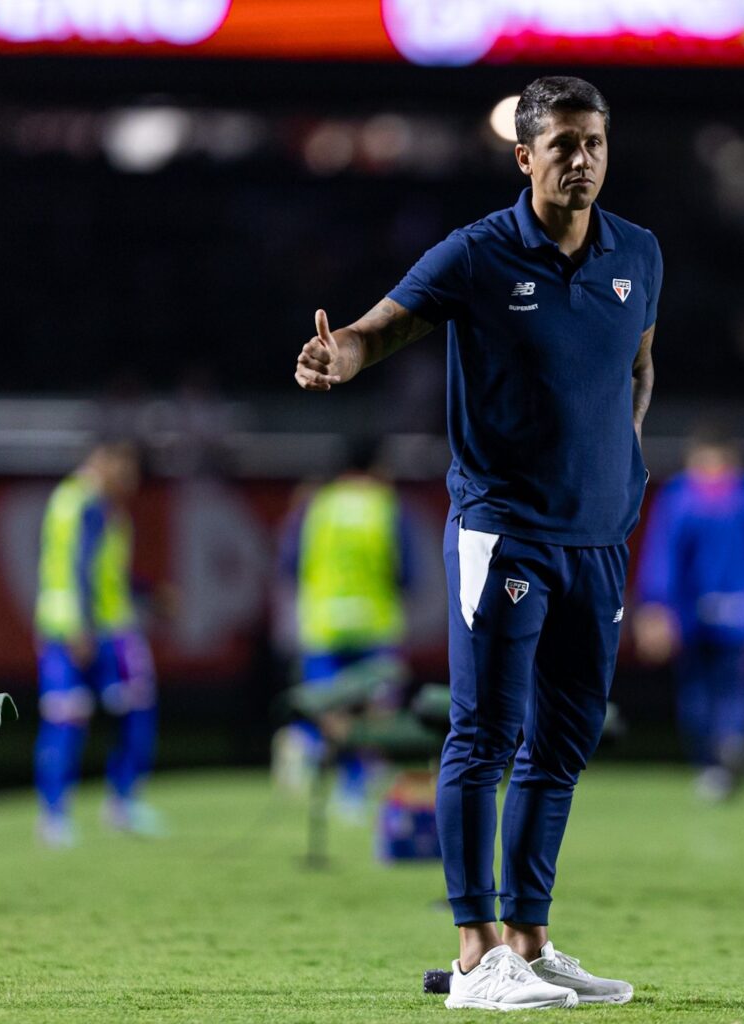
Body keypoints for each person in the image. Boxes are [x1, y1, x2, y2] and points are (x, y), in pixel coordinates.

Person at [294, 76, 657, 1010]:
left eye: (595, 143)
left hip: (599, 538)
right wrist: (342, 356)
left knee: (563, 742)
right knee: (485, 734)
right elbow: (384, 325)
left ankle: (530, 944)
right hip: (505, 530)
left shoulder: (641, 254)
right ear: (525, 157)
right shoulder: (479, 253)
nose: (582, 159)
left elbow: (638, 366)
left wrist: (618, 467)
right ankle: (472, 958)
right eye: (564, 144)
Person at [633, 428, 744, 800]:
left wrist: (655, 604)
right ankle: (732, 742)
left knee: (698, 689)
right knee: (736, 687)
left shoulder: (681, 496)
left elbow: (663, 556)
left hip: (693, 609)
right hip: (742, 608)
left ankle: (711, 763)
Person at [32, 438, 161, 846]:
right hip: (82, 628)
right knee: (76, 717)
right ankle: (71, 811)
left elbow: (105, 572)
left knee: (112, 709)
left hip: (90, 624)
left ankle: (97, 806)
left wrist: (149, 594)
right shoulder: (85, 502)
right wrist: (81, 627)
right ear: (106, 463)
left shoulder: (91, 503)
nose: (131, 483)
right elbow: (78, 568)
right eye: (126, 472)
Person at [278, 438, 417, 812]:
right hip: (374, 624)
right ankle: (354, 787)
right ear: (378, 468)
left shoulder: (316, 504)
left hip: (324, 624)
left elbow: (289, 563)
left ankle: (305, 742)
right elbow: (406, 571)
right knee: (376, 712)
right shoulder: (386, 506)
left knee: (328, 708)